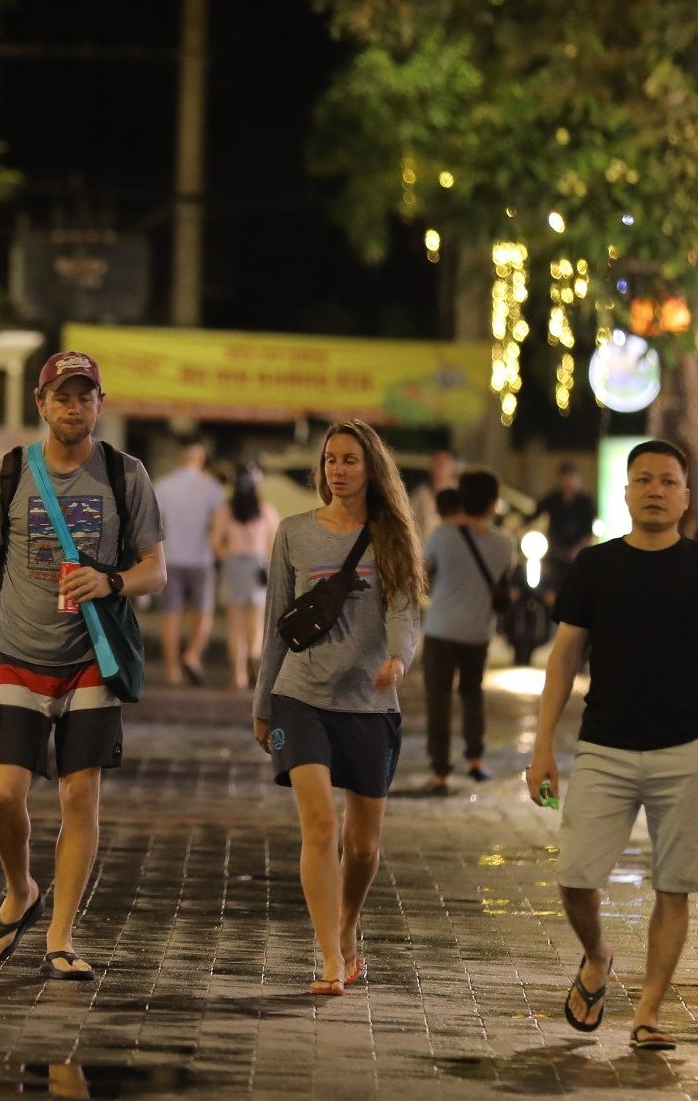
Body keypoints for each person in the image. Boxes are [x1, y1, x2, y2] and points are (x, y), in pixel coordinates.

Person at [526, 440, 698, 1051]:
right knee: (575, 875)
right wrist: (544, 744)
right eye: (643, 480)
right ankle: (597, 956)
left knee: (674, 885)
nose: (655, 490)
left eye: (668, 481)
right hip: (604, 745)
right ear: (624, 492)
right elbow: (564, 657)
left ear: (685, 497)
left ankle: (648, 1012)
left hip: (685, 750)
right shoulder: (595, 565)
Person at [0, 350, 166, 981]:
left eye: (86, 397)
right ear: (41, 405)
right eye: (62, 398)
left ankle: (61, 937)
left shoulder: (126, 475)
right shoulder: (12, 472)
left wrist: (112, 583)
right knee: (2, 799)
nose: (75, 408)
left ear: (101, 404)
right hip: (18, 654)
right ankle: (21, 890)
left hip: (91, 660)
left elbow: (156, 570)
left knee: (79, 795)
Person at [253, 419, 423, 995]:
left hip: (371, 705)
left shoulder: (392, 535)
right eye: (330, 460)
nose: (338, 470)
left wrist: (398, 661)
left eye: (350, 460)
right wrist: (263, 702)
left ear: (372, 468)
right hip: (300, 697)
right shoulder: (294, 532)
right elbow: (277, 621)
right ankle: (328, 956)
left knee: (365, 845)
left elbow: (404, 612)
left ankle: (348, 926)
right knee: (321, 826)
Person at [421, 468, 516, 795]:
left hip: (440, 629)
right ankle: (475, 760)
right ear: (492, 503)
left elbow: (423, 575)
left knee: (439, 700)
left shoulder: (440, 536)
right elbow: (504, 583)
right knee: (473, 695)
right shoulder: (505, 544)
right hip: (478, 633)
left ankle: (441, 773)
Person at [153, 439, 223, 686]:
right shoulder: (212, 487)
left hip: (170, 558)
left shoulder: (163, 486)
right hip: (202, 559)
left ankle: (172, 670)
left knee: (170, 615)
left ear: (179, 457)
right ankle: (192, 654)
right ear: (201, 457)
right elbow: (217, 525)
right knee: (203, 612)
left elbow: (155, 525)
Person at [209, 464, 281, 690]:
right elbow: (275, 542)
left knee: (235, 626)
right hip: (258, 567)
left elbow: (215, 542)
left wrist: (227, 558)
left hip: (233, 567)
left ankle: (238, 675)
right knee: (256, 624)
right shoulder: (266, 510)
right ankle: (254, 657)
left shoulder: (225, 510)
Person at [525, 460, 597, 600]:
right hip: (555, 550)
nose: (569, 482)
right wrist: (519, 527)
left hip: (577, 552)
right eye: (566, 478)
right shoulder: (553, 499)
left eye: (572, 478)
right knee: (548, 586)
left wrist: (578, 548)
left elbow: (588, 531)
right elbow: (534, 514)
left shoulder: (585, 502)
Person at [409, 447, 459, 538]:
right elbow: (409, 517)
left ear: (453, 466)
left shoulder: (461, 494)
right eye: (437, 463)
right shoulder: (422, 493)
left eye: (444, 463)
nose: (440, 467)